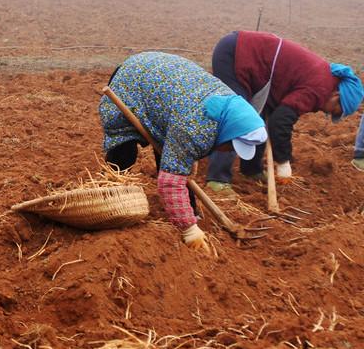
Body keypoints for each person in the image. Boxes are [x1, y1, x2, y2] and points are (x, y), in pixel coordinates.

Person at [101, 52, 268, 255]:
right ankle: (107, 195)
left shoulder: (228, 108)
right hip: (133, 82)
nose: (231, 152)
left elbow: (178, 161)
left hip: (166, 92)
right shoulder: (194, 127)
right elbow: (170, 181)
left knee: (172, 156)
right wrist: (189, 230)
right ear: (229, 132)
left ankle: (190, 211)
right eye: (232, 146)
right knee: (124, 154)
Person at [204, 31, 362, 191]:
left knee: (258, 119)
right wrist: (283, 161)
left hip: (253, 67)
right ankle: (218, 179)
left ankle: (251, 169)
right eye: (335, 110)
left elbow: (272, 118)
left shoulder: (323, 82)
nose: (327, 113)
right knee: (236, 118)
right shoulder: (320, 88)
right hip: (236, 55)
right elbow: (280, 122)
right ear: (336, 95)